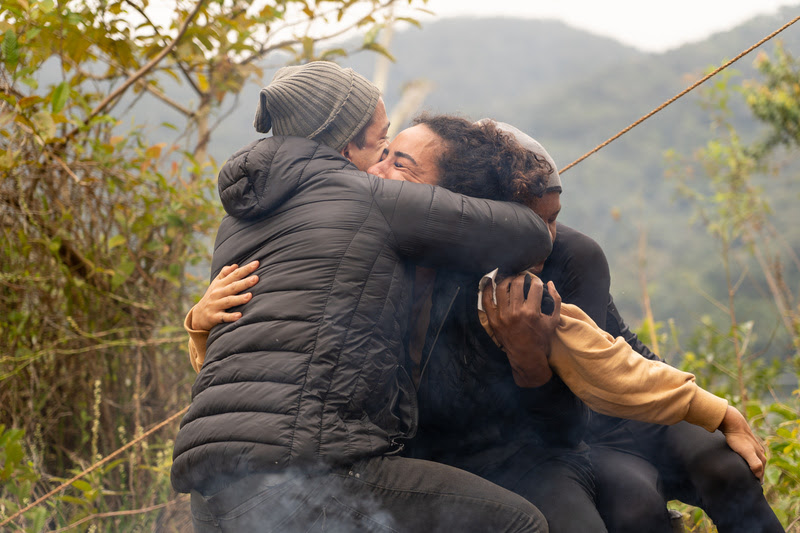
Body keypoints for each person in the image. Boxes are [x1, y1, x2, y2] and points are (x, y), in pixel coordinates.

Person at [189, 114, 768, 532]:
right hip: (460, 454)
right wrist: (199, 319)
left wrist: (530, 360)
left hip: (565, 427)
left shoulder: (546, 268)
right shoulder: (377, 250)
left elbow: (605, 366)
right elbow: (277, 329)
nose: (381, 171)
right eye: (382, 154)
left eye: (551, 222)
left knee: (692, 476)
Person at [171, 61, 556, 532]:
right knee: (520, 524)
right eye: (380, 142)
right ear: (345, 143)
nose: (380, 163)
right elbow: (530, 236)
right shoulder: (364, 197)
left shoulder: (238, 221)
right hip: (303, 477)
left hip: (211, 487)